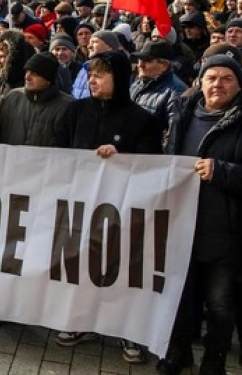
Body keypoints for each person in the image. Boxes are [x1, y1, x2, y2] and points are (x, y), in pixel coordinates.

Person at [54, 50, 162, 363]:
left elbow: (151, 163)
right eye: (91, 74)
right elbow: (58, 150)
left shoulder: (142, 119)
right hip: (81, 204)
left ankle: (128, 331)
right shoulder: (76, 111)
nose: (93, 80)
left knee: (120, 268)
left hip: (122, 209)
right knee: (81, 263)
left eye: (100, 74)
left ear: (119, 78)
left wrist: (122, 155)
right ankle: (81, 323)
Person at [158, 55, 242, 374]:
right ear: (200, 82)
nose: (217, 84)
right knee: (180, 299)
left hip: (224, 231)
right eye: (211, 78)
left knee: (219, 305)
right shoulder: (183, 113)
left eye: (226, 78)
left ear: (238, 85)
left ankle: (214, 361)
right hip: (182, 225)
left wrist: (222, 171)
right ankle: (178, 353)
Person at [0, 52, 72, 146]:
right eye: (27, 72)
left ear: (48, 79)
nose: (27, 77)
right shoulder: (12, 98)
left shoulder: (67, 106)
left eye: (34, 74)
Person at [129, 40, 188, 138]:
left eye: (147, 61)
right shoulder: (138, 83)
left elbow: (173, 136)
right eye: (139, 60)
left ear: (164, 65)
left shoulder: (176, 92)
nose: (140, 65)